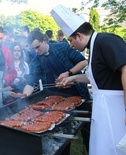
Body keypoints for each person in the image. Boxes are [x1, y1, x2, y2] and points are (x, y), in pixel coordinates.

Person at [51, 4, 126, 155]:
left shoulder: (106, 41)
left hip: (116, 109)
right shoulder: (93, 47)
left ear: (79, 35)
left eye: (71, 40)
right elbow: (94, 78)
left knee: (116, 147)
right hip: (103, 109)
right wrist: (71, 78)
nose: (70, 45)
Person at [22, 30, 91, 154]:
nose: (36, 51)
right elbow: (31, 81)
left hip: (78, 94)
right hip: (56, 102)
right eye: (33, 49)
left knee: (88, 132)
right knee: (62, 136)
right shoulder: (36, 61)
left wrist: (69, 73)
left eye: (37, 47)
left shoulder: (63, 47)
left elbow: (83, 61)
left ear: (45, 40)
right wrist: (24, 96)